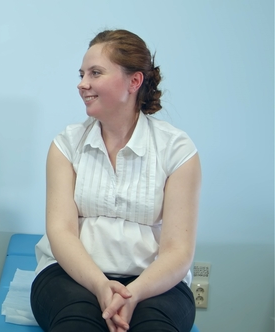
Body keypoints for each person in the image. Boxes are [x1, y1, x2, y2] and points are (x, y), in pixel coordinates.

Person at [30, 29, 201, 332]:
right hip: (72, 276)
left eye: (95, 73)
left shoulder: (177, 150)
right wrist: (101, 286)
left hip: (154, 282)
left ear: (134, 82)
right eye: (82, 74)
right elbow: (61, 231)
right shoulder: (66, 145)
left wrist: (133, 293)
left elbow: (178, 250)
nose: (82, 84)